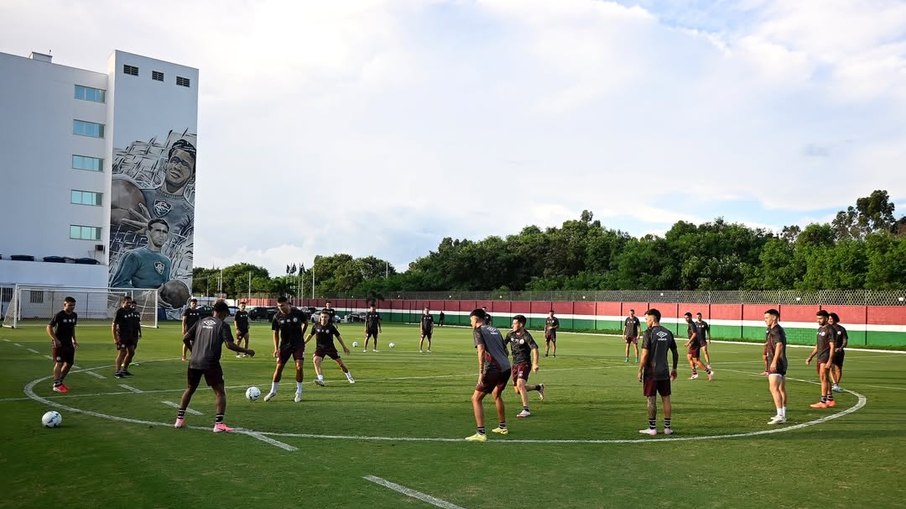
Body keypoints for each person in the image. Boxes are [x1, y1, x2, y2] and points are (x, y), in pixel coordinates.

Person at [174, 300, 255, 432]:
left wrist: (193, 351)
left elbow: (185, 338)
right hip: (210, 362)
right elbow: (229, 345)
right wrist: (246, 351)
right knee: (220, 392)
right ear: (223, 312)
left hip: (194, 361)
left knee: (190, 389)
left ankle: (179, 420)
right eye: (226, 314)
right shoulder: (222, 325)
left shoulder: (200, 322)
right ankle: (218, 424)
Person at [118, 138, 197, 234]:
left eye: (185, 165)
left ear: (192, 177)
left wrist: (154, 232)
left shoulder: (191, 215)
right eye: (174, 160)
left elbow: (183, 247)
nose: (177, 167)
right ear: (165, 165)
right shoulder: (140, 194)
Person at [466, 308, 511, 442]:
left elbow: (480, 351)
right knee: (496, 394)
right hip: (506, 367)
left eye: (471, 320)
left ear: (476, 319)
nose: (470, 323)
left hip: (493, 368)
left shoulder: (478, 331)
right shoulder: (495, 330)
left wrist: (481, 372)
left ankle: (481, 433)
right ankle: (502, 427)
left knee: (476, 399)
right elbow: (506, 351)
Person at [637, 308, 679, 436]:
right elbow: (675, 352)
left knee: (651, 399)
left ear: (653, 318)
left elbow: (644, 355)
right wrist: (674, 368)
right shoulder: (668, 333)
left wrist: (640, 370)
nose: (645, 321)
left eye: (646, 319)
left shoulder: (648, 333)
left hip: (651, 372)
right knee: (666, 398)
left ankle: (652, 428)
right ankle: (667, 428)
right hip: (664, 371)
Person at [264, 296, 309, 403]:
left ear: (288, 304)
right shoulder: (277, 317)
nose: (281, 308)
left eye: (282, 305)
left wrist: (301, 335)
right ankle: (273, 391)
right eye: (279, 306)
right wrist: (276, 349)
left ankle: (298, 392)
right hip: (284, 345)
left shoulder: (298, 313)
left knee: (299, 367)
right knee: (279, 367)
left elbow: (305, 323)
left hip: (298, 344)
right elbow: (275, 333)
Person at [110, 218, 172, 289]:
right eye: (157, 231)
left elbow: (166, 288)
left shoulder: (166, 261)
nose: (161, 235)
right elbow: (118, 285)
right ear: (148, 233)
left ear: (167, 237)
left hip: (158, 300)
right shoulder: (134, 256)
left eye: (164, 232)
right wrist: (146, 296)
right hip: (139, 300)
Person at [506, 314, 545, 418]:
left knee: (520, 384)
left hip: (525, 363)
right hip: (515, 364)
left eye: (514, 323)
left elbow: (534, 349)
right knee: (518, 390)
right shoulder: (510, 334)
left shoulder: (526, 335)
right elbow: (502, 345)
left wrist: (535, 363)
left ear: (521, 324)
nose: (512, 325)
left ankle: (526, 409)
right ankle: (538, 387)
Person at [306, 310, 355, 385]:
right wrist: (304, 342)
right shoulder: (316, 325)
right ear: (320, 317)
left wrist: (344, 347)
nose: (323, 318)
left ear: (328, 318)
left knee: (341, 365)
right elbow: (310, 335)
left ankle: (349, 376)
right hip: (320, 348)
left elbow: (338, 336)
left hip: (330, 348)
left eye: (325, 317)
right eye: (322, 317)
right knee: (316, 360)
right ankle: (320, 379)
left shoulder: (331, 327)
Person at [47, 296, 78, 393]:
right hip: (59, 343)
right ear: (65, 304)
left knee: (69, 363)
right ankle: (56, 384)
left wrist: (74, 340)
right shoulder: (59, 315)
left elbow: (72, 328)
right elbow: (49, 327)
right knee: (59, 362)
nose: (72, 307)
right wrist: (55, 339)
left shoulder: (74, 315)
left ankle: (60, 381)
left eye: (73, 305)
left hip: (69, 343)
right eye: (70, 305)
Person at [762, 309, 788, 424]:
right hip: (780, 362)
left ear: (774, 317)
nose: (765, 320)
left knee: (774, 388)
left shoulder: (776, 330)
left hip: (777, 362)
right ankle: (782, 413)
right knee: (780, 388)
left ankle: (780, 415)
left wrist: (773, 362)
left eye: (767, 317)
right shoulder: (773, 330)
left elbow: (779, 345)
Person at [806, 310, 836, 408]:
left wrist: (830, 360)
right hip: (820, 356)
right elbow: (818, 346)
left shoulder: (830, 329)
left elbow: (832, 346)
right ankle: (830, 400)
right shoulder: (820, 329)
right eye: (817, 318)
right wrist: (811, 356)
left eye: (820, 318)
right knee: (825, 378)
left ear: (826, 318)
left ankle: (823, 402)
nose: (818, 320)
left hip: (825, 357)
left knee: (823, 378)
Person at [112, 296, 141, 378]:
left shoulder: (132, 311)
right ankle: (118, 371)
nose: (129, 304)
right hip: (122, 336)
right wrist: (115, 338)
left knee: (131, 352)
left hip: (130, 336)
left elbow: (135, 323)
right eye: (127, 302)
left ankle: (124, 369)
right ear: (123, 302)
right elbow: (114, 325)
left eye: (130, 303)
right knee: (122, 352)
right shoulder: (119, 312)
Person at [684, 312, 713, 381]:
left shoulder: (692, 324)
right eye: (685, 318)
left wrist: (688, 342)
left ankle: (709, 372)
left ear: (690, 317)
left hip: (695, 344)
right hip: (693, 344)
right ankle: (694, 373)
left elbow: (694, 334)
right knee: (689, 356)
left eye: (687, 317)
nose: (686, 319)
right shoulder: (690, 324)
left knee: (696, 360)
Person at [828, 312, 848, 393]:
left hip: (839, 352)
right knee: (830, 367)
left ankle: (836, 384)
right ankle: (834, 383)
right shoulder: (826, 329)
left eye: (831, 319)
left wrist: (841, 348)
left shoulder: (841, 329)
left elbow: (845, 340)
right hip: (829, 352)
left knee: (838, 368)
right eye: (829, 319)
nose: (830, 320)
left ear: (835, 319)